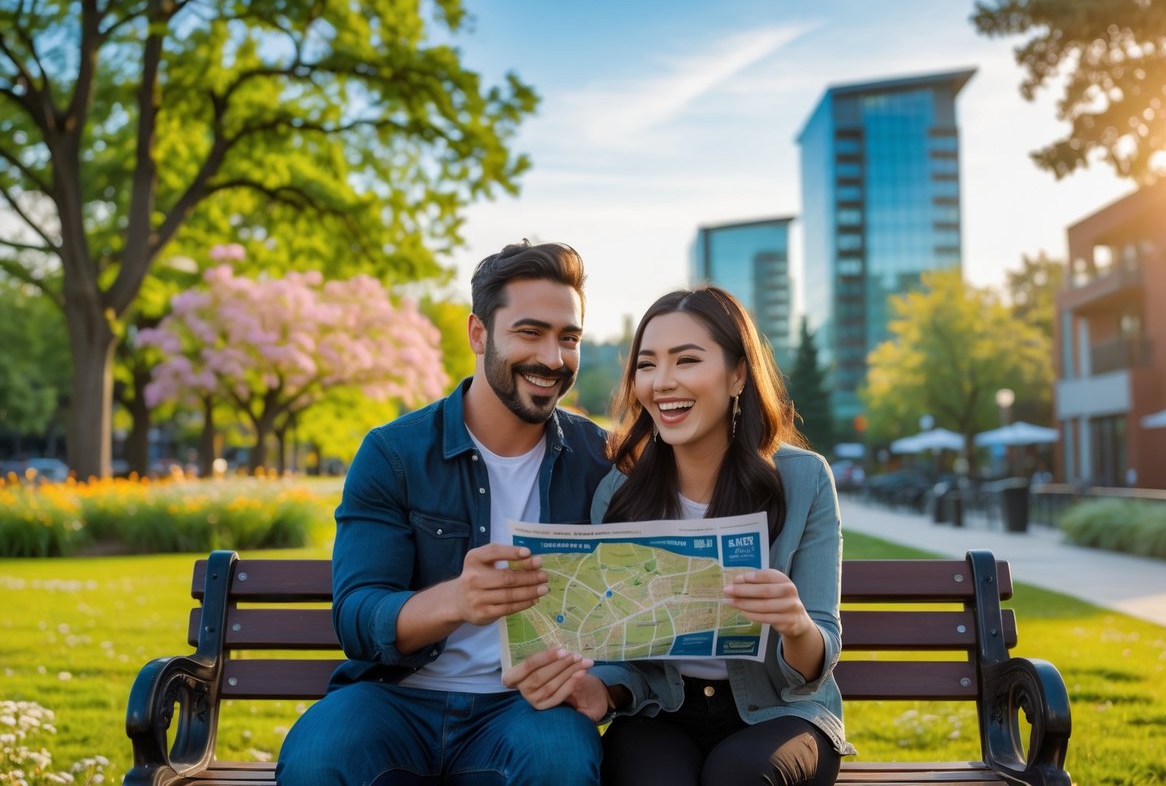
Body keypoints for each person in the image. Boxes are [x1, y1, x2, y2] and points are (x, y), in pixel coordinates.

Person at [277, 241, 612, 786]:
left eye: (568, 338)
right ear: (479, 334)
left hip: (523, 709)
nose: (553, 359)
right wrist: (456, 600)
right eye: (530, 333)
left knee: (562, 761)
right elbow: (358, 617)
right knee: (320, 759)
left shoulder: (601, 461)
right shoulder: (394, 454)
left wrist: (605, 684)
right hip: (394, 698)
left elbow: (634, 619)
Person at [505, 286, 854, 786]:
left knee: (737, 778)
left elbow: (816, 661)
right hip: (660, 714)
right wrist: (601, 691)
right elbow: (621, 657)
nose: (662, 383)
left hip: (781, 714)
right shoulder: (618, 493)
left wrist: (795, 624)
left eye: (686, 361)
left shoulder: (804, 480)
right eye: (647, 365)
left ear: (737, 375)